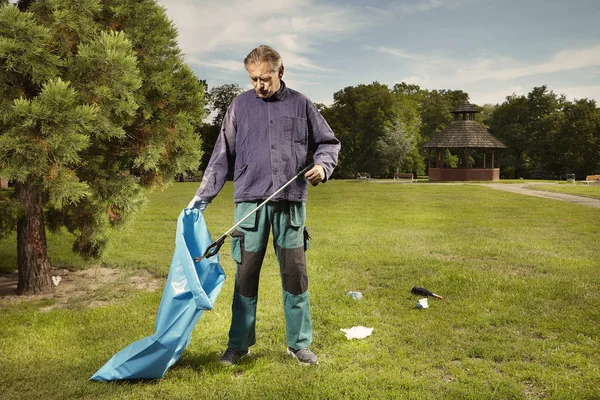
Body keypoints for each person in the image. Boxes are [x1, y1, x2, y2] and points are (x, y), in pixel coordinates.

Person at [188, 45, 340, 366]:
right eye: (254, 79)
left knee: (295, 275)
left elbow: (328, 143)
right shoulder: (239, 107)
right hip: (249, 206)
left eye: (265, 78)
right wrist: (201, 199)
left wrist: (323, 166)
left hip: (290, 206)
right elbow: (220, 158)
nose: (259, 85)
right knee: (245, 277)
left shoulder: (301, 105)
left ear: (280, 72)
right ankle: (238, 346)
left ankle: (299, 344)